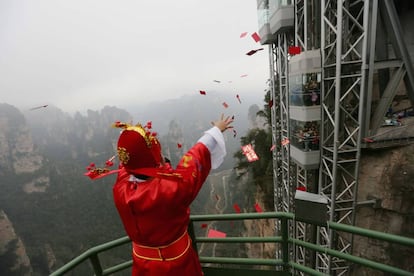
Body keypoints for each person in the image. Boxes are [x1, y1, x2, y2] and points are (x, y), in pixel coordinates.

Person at [111, 114, 233, 276]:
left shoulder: (120, 188)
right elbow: (195, 158)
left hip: (142, 264)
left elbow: (129, 163)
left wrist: (131, 138)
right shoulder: (170, 189)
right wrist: (216, 130)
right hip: (176, 264)